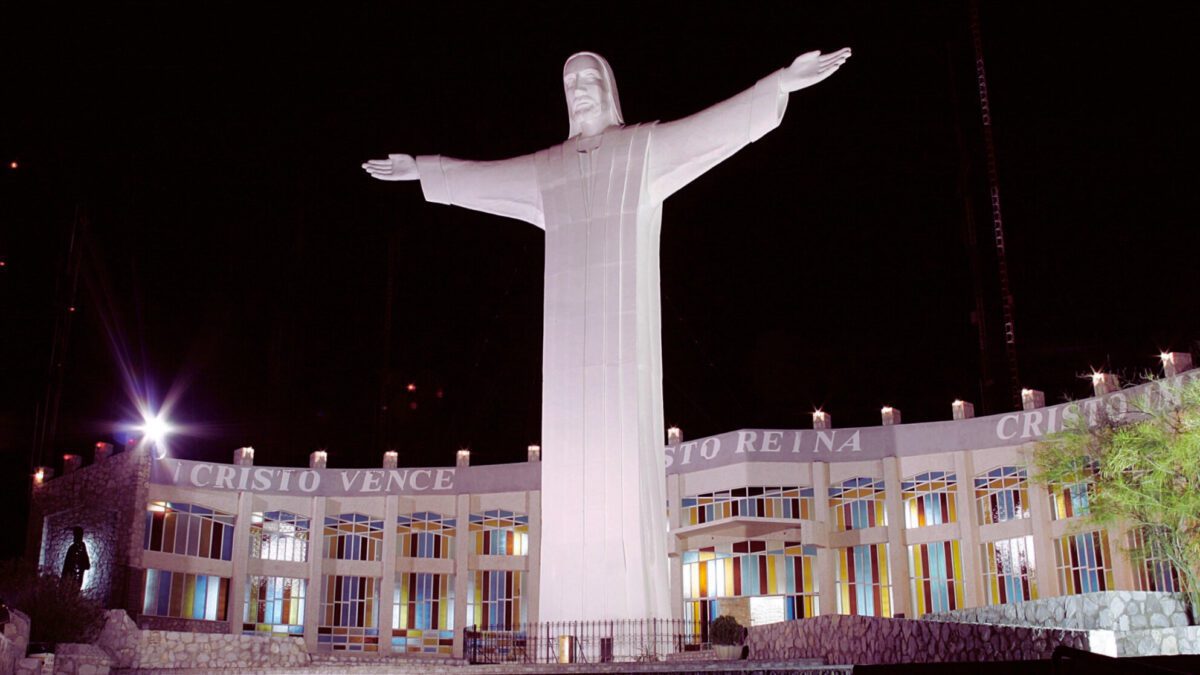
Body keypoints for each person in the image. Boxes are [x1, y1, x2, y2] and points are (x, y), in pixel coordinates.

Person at [363, 48, 850, 621]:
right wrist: (427, 168)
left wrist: (778, 85)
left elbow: (708, 131)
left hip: (625, 358)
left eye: (588, 77)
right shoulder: (549, 169)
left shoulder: (641, 149)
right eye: (569, 81)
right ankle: (568, 628)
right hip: (567, 365)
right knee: (569, 487)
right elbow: (486, 178)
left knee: (625, 488)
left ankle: (633, 629)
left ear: (610, 87)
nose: (578, 88)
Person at [61, 526, 90, 591]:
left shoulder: (79, 547)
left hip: (74, 578)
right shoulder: (73, 548)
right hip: (72, 578)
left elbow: (87, 565)